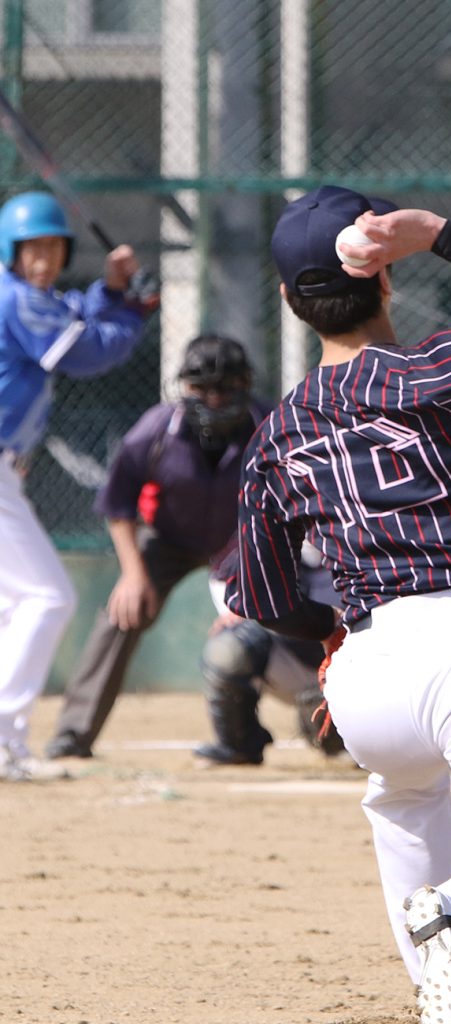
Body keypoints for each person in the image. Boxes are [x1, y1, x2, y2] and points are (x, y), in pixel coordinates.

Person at [223, 185, 451, 1024]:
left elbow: (260, 594)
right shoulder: (435, 371)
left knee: (405, 798)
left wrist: (330, 636)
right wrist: (436, 232)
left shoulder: (277, 435)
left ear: (290, 300)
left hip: (365, 669)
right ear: (383, 278)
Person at [44, 334, 343, 764]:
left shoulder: (269, 425)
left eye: (226, 386)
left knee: (272, 622)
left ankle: (327, 715)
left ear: (246, 383)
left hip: (246, 542)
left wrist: (258, 581)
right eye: (201, 387)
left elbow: (297, 503)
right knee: (121, 613)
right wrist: (133, 575)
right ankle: (74, 734)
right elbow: (117, 505)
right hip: (169, 539)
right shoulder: (157, 428)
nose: (214, 398)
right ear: (183, 385)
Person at [0, 189, 150, 782]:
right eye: (32, 249)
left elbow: (76, 313)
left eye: (54, 248)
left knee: (15, 605)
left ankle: (6, 740)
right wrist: (133, 312)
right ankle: (3, 740)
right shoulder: (15, 298)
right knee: (48, 597)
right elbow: (86, 351)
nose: (45, 260)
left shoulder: (25, 296)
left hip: (7, 468)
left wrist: (112, 292)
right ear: (11, 252)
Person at [196, 542, 345, 765]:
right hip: (292, 663)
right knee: (229, 649)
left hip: (357, 668)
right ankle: (238, 744)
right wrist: (241, 608)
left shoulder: (360, 539)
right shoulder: (267, 539)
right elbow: (223, 575)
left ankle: (364, 737)